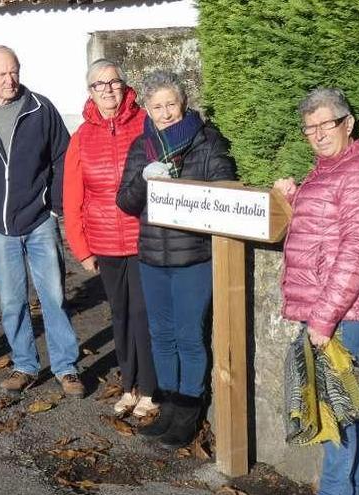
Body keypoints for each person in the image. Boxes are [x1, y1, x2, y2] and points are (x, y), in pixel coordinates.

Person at [273, 87, 359, 495]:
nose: (319, 134)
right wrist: (293, 197)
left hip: (345, 313)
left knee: (335, 412)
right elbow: (322, 229)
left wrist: (323, 320)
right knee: (340, 406)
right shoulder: (326, 170)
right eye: (310, 128)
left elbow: (358, 251)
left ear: (348, 124)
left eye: (327, 124)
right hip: (330, 310)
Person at [0, 46, 83, 398]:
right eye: (1, 74)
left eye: (14, 72)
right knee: (11, 301)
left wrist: (53, 206)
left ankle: (66, 367)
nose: (10, 80)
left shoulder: (41, 109)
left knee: (53, 296)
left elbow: (62, 159)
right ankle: (24, 365)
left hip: (39, 221)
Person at [116, 70, 235, 447]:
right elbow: (126, 202)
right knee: (161, 335)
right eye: (156, 107)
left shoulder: (207, 142)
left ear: (183, 104)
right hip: (152, 257)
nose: (165, 113)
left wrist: (188, 190)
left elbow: (224, 192)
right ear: (147, 110)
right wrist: (145, 181)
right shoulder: (142, 148)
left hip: (192, 258)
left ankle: (189, 410)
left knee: (188, 335)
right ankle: (167, 405)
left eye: (171, 104)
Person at [63, 59, 158, 417]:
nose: (107, 89)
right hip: (104, 241)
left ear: (124, 85)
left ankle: (149, 389)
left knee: (142, 313)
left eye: (113, 82)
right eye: (98, 84)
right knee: (119, 314)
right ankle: (128, 384)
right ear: (90, 91)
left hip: (142, 237)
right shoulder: (82, 137)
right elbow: (72, 197)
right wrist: (82, 247)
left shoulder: (146, 124)